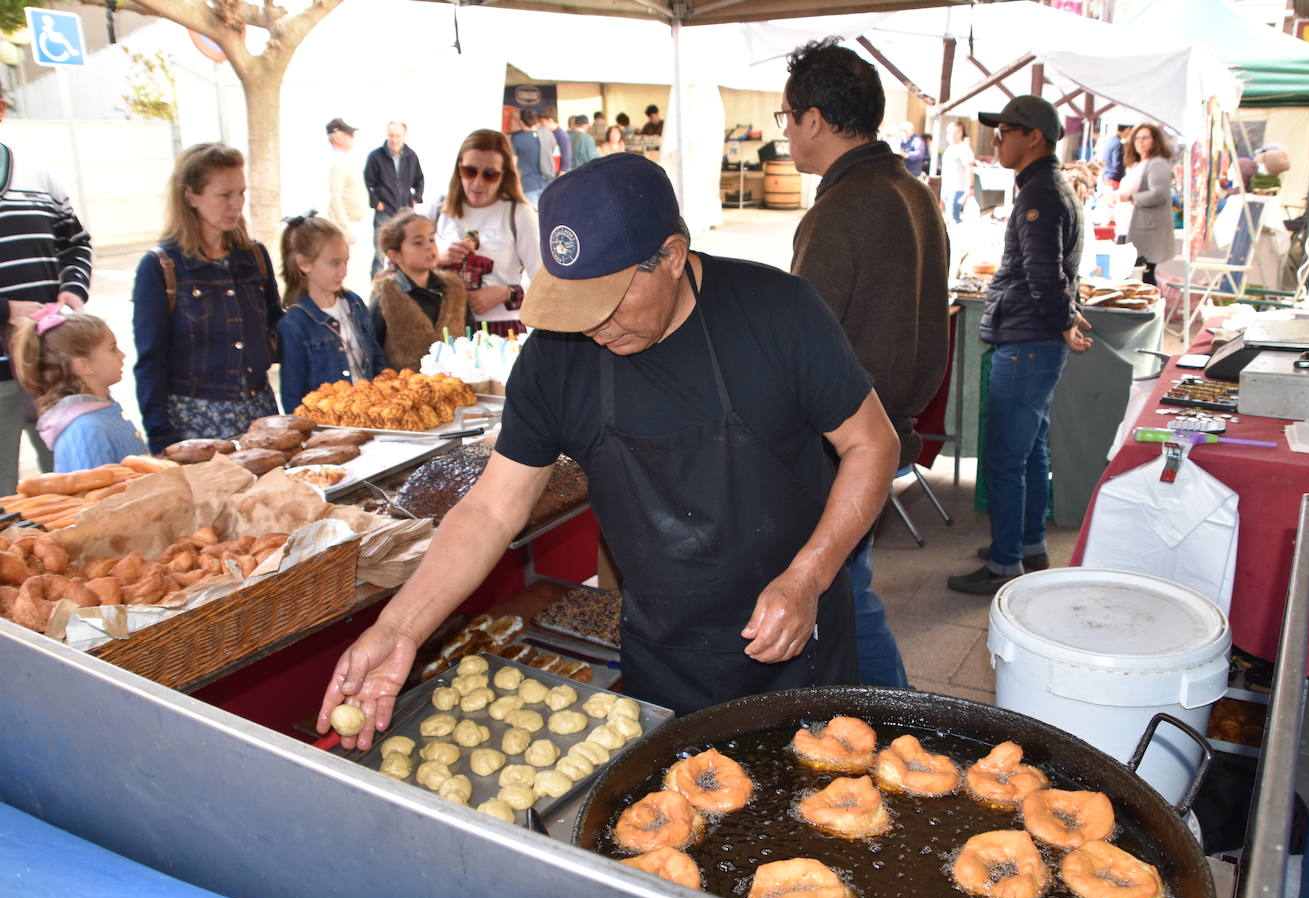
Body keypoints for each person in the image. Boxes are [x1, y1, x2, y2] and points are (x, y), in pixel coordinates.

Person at [318, 154, 898, 746]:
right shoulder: (556, 357)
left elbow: (872, 444)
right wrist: (401, 626)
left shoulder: (778, 312)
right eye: (575, 304)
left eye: (611, 301)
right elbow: (491, 510)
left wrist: (808, 576)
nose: (594, 326)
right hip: (663, 656)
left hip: (798, 642)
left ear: (670, 257)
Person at [783, 38, 948, 689]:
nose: (788, 133)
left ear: (815, 119)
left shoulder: (841, 208)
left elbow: (800, 345)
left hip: (847, 439)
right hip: (892, 422)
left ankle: (902, 719)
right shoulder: (910, 189)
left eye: (788, 118)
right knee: (849, 584)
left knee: (840, 593)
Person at [948, 96, 1092, 596]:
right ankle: (1028, 545)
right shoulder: (1051, 186)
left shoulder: (1040, 194)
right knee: (1031, 453)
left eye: (1006, 130)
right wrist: (1064, 318)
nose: (997, 139)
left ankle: (1006, 563)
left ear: (1035, 136)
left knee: (1008, 458)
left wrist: (1064, 320)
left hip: (1027, 342)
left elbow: (1043, 274)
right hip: (1036, 341)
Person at [132, 143, 281, 454]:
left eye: (241, 193)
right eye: (224, 195)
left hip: (261, 413)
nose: (236, 204)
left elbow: (276, 326)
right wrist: (160, 436)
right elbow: (151, 360)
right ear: (191, 196)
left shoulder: (254, 255)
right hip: (195, 421)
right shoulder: (161, 267)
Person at [0, 84, 90, 494]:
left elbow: (76, 242)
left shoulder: (40, 179)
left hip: (52, 366)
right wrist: (6, 312)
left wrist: (73, 290)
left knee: (68, 484)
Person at [427, 130, 540, 337]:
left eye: (490, 174)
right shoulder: (439, 209)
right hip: (445, 328)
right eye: (469, 171)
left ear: (504, 174)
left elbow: (544, 283)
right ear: (458, 168)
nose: (478, 182)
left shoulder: (520, 213)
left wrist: (508, 292)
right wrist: (440, 259)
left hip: (503, 332)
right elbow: (407, 268)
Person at [12, 307, 147, 473]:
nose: (122, 355)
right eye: (112, 348)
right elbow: (93, 494)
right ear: (83, 365)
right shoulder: (87, 429)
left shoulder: (100, 414)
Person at [276, 214, 386, 413]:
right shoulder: (294, 323)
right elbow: (293, 399)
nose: (343, 271)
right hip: (329, 428)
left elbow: (377, 360)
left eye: (346, 262)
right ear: (304, 264)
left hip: (370, 416)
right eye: (334, 263)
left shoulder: (354, 304)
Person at [369, 210, 469, 372]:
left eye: (431, 239)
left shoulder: (453, 289)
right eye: (418, 242)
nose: (429, 246)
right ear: (395, 255)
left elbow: (470, 334)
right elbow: (372, 350)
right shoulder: (385, 296)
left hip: (455, 387)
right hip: (405, 390)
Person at [363, 122, 425, 276]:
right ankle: (376, 289)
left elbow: (420, 180)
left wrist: (416, 199)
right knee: (379, 251)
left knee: (406, 250)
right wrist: (375, 202)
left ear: (404, 137)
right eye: (391, 135)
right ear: (387, 135)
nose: (394, 139)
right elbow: (366, 182)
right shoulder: (375, 156)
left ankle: (403, 284)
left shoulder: (411, 156)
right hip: (384, 211)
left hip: (405, 211)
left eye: (398, 136)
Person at [1117, 123, 1174, 286]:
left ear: (1155, 140)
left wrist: (1130, 197)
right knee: (1134, 276)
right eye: (1137, 138)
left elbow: (1159, 194)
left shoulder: (1157, 164)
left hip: (1145, 231)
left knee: (1142, 277)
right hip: (1131, 228)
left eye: (1145, 138)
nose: (1140, 141)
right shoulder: (1139, 164)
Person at [323, 118, 368, 248]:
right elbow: (334, 197)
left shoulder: (342, 159)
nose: (352, 138)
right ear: (337, 138)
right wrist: (345, 229)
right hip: (346, 226)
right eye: (349, 134)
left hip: (351, 223)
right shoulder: (337, 161)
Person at [509, 109, 548, 206]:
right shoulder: (546, 135)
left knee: (533, 217)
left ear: (521, 122)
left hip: (527, 184)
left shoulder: (516, 138)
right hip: (547, 181)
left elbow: (513, 163)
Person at [941, 121, 976, 224]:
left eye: (955, 132)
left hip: (957, 188)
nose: (951, 135)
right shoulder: (949, 148)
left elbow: (969, 168)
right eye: (949, 132)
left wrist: (970, 187)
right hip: (947, 187)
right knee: (949, 216)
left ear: (960, 132)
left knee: (954, 217)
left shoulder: (963, 148)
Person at [541, 108, 572, 176]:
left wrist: (563, 172)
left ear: (550, 120)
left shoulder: (562, 135)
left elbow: (566, 156)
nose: (542, 124)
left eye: (543, 122)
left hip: (559, 173)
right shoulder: (549, 133)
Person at [1102, 124, 1130, 189]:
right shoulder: (1118, 144)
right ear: (1127, 129)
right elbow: (1117, 164)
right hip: (1114, 180)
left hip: (1106, 177)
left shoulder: (1110, 140)